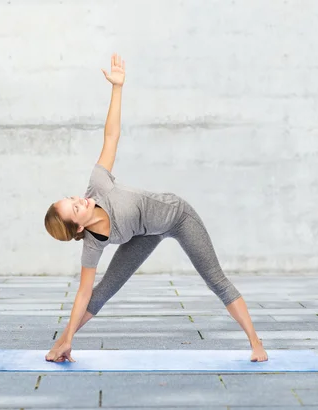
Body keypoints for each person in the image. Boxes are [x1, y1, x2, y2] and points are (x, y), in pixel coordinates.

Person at [43, 53, 268, 363]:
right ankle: (62, 344)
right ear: (79, 228)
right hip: (144, 234)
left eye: (73, 198)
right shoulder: (93, 245)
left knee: (214, 279)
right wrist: (68, 337)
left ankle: (256, 343)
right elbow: (83, 294)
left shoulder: (99, 184)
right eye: (75, 209)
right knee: (101, 293)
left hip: (176, 216)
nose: (80, 200)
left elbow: (111, 135)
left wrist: (117, 88)